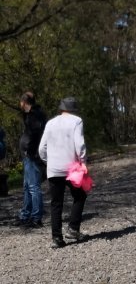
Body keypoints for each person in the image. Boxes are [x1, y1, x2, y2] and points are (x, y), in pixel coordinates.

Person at [38, 97, 88, 249]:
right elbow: (79, 144)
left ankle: (57, 239)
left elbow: (42, 148)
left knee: (56, 203)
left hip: (53, 168)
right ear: (74, 109)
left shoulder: (50, 123)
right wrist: (83, 161)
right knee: (80, 195)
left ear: (61, 108)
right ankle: (73, 228)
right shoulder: (76, 121)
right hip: (71, 167)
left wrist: (49, 161)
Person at [17, 91, 46, 227]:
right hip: (28, 155)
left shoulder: (35, 116)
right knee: (27, 187)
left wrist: (29, 149)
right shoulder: (31, 115)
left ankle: (36, 217)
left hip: (32, 155)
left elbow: (35, 135)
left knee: (33, 187)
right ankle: (25, 214)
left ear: (23, 102)